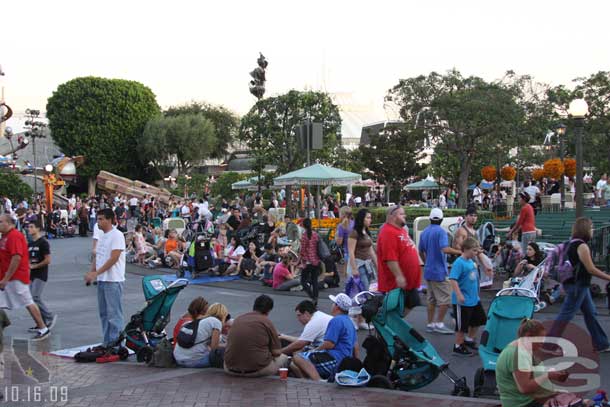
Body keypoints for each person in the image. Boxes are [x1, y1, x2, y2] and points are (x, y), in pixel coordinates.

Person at [546, 217, 610, 352]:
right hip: (578, 285)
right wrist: (608, 277)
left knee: (590, 313)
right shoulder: (582, 246)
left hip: (576, 284)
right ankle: (549, 345)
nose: (592, 230)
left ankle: (601, 343)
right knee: (566, 314)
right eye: (591, 228)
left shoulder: (571, 243)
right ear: (585, 229)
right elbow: (591, 268)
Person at [496, 319, 582, 407]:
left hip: (532, 399)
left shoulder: (521, 347)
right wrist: (548, 375)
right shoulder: (518, 355)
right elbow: (525, 388)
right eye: (540, 339)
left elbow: (530, 373)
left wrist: (552, 374)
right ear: (528, 336)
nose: (542, 343)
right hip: (524, 403)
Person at [0, 214, 50, 340]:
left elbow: (16, 257)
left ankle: (43, 327)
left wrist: (6, 278)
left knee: (28, 301)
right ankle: (4, 323)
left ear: (9, 223)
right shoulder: (5, 237)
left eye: (1, 222)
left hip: (16, 277)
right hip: (8, 276)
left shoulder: (14, 235)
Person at [84, 208, 126, 348]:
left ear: (109, 220)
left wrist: (97, 272)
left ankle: (117, 344)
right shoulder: (102, 236)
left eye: (101, 219)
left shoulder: (117, 235)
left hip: (113, 279)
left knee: (114, 314)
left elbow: (114, 258)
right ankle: (107, 341)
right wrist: (92, 272)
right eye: (98, 219)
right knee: (104, 313)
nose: (98, 222)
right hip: (102, 279)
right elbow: (99, 256)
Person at [292, 293, 359, 380]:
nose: (332, 305)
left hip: (335, 359)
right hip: (345, 359)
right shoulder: (349, 322)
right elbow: (355, 345)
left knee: (298, 357)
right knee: (305, 355)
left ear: (337, 306)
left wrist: (314, 350)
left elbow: (329, 344)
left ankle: (319, 381)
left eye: (333, 303)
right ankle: (308, 379)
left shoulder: (336, 320)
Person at [418, 208, 461, 335]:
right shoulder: (441, 232)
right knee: (446, 298)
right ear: (441, 219)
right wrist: (460, 252)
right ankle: (439, 323)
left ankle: (430, 323)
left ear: (430, 218)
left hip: (428, 270)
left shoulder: (424, 232)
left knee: (431, 299)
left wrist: (426, 262)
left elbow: (420, 250)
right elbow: (445, 249)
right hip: (439, 271)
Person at [224, 295, 290, 377]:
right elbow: (276, 352)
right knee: (284, 358)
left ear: (254, 306)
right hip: (255, 370)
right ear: (269, 310)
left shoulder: (238, 319)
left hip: (230, 368)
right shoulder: (266, 321)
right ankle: (275, 385)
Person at [376, 205, 422, 315]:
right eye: (401, 214)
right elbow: (390, 258)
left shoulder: (401, 230)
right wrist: (399, 276)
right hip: (394, 283)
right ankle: (387, 325)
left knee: (412, 303)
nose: (404, 216)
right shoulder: (388, 232)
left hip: (408, 281)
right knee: (394, 308)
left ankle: (391, 324)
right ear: (392, 216)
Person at [449, 237, 487, 356]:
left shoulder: (471, 262)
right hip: (463, 301)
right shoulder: (459, 263)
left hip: (473, 299)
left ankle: (469, 339)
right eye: (474, 250)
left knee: (479, 319)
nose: (476, 253)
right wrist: (459, 294)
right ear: (466, 249)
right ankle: (458, 346)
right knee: (462, 326)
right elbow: (453, 279)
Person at [174, 301, 228, 368]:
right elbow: (214, 348)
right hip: (193, 361)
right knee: (226, 357)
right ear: (223, 314)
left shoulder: (200, 320)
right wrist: (227, 345)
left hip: (178, 358)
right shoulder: (216, 322)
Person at [452, 205, 494, 287]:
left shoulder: (475, 232)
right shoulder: (462, 231)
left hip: (474, 260)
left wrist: (485, 265)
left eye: (475, 216)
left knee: (487, 261)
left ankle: (484, 281)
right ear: (466, 217)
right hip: (465, 261)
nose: (473, 218)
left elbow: (478, 251)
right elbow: (458, 248)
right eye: (471, 215)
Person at [27, 220, 57, 331]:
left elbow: (48, 260)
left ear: (38, 228)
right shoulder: (29, 244)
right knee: (29, 299)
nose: (29, 229)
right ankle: (41, 322)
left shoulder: (43, 243)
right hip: (31, 275)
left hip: (41, 274)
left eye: (31, 226)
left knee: (35, 296)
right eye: (28, 227)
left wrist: (35, 266)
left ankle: (49, 317)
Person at [347, 209, 377, 291]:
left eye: (370, 218)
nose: (370, 220)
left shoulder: (366, 232)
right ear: (361, 219)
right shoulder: (354, 233)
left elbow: (371, 251)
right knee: (365, 288)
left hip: (368, 264)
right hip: (359, 264)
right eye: (367, 218)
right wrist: (354, 269)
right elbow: (351, 252)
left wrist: (377, 264)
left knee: (370, 287)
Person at [299, 218, 321, 303]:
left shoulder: (304, 235)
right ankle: (315, 297)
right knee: (314, 280)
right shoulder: (315, 234)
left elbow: (303, 250)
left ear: (304, 225)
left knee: (303, 281)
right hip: (316, 260)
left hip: (308, 261)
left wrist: (299, 260)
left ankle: (312, 296)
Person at [335, 207, 353, 278]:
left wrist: (336, 235)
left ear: (343, 215)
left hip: (347, 252)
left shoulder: (341, 226)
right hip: (356, 252)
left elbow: (339, 242)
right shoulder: (354, 223)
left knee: (348, 275)